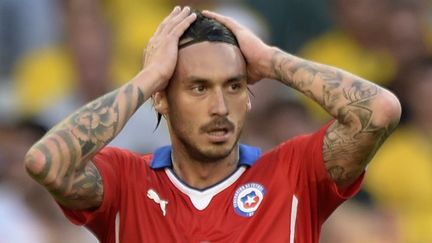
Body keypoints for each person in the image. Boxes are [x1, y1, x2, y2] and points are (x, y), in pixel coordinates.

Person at [23, 6, 401, 243]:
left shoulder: (293, 173)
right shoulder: (126, 182)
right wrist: (148, 78)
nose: (220, 106)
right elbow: (46, 164)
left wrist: (270, 61)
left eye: (234, 86)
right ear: (162, 97)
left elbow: (379, 110)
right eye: (198, 88)